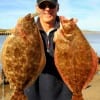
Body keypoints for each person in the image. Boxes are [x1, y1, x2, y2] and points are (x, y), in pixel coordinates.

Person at [24, 0, 74, 100]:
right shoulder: (26, 32)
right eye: (43, 5)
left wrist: (67, 41)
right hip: (31, 95)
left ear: (57, 7)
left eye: (51, 5)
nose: (47, 9)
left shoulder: (69, 30)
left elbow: (79, 61)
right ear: (37, 8)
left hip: (64, 96)